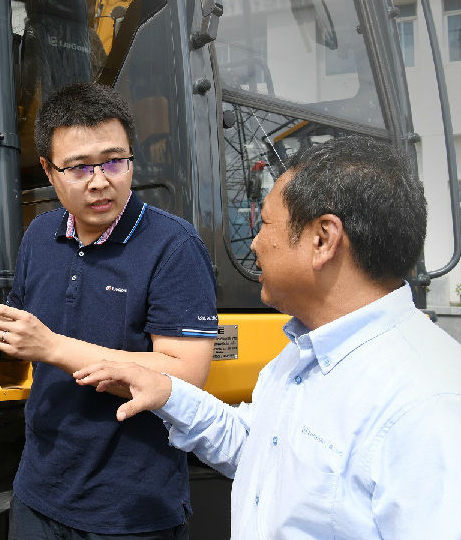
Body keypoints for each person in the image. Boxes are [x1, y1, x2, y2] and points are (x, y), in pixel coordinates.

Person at [74, 135, 461, 539]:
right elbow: (257, 448)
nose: (254, 242)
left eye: (265, 224)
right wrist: (169, 393)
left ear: (323, 239)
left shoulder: (428, 404)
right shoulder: (300, 354)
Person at [0, 82, 218, 539]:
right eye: (79, 167)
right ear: (50, 172)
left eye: (115, 161)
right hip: (40, 492)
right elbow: (19, 333)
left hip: (129, 508)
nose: (100, 180)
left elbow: (187, 373)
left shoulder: (173, 246)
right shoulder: (41, 234)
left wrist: (53, 347)